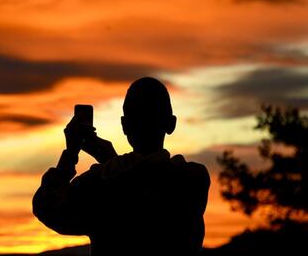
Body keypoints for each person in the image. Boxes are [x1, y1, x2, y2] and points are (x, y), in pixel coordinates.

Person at [32, 77, 210, 255]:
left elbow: (46, 206)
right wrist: (110, 160)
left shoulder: (98, 183)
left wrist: (71, 153)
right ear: (171, 124)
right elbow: (142, 186)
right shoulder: (193, 178)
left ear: (125, 126)